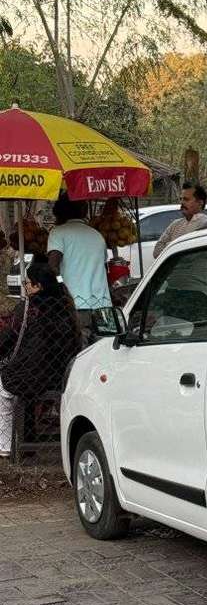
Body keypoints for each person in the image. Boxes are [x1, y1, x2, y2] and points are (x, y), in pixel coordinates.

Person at [0, 261, 81, 457]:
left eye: (27, 283)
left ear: (38, 286)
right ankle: (24, 442)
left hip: (30, 378)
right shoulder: (67, 307)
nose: (25, 286)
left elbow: (7, 340)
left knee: (3, 392)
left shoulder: (27, 309)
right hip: (61, 376)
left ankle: (5, 447)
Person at [47, 192, 111, 342]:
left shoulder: (58, 233)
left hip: (76, 305)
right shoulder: (97, 235)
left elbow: (52, 267)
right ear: (84, 211)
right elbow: (103, 269)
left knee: (80, 356)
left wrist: (60, 284)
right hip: (104, 306)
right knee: (104, 355)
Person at [153, 183, 207, 259]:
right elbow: (156, 252)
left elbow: (189, 256)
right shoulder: (175, 224)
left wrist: (169, 245)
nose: (182, 202)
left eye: (186, 199)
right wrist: (177, 247)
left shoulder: (206, 224)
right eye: (181, 199)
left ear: (200, 203)